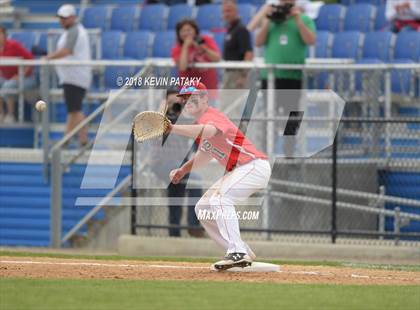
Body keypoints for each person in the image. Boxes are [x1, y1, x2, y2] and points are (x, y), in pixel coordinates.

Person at [167, 82, 271, 270]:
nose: (187, 101)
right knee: (203, 208)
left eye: (193, 96)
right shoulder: (200, 122)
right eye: (184, 98)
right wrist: (183, 170)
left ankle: (237, 251)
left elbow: (209, 131)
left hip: (253, 166)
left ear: (205, 98)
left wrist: (174, 128)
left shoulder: (211, 116)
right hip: (242, 170)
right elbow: (204, 155)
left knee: (220, 199)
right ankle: (241, 250)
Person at [156, 89, 204, 238]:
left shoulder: (185, 120)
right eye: (170, 103)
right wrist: (162, 110)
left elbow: (199, 141)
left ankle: (174, 235)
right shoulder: (159, 120)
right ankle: (193, 225)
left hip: (179, 165)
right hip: (162, 164)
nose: (174, 107)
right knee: (196, 181)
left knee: (176, 197)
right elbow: (156, 130)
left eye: (176, 103)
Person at [45, 4, 91, 146]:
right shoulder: (73, 30)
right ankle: (66, 140)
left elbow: (66, 51)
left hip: (74, 76)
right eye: (61, 18)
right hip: (73, 76)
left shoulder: (74, 31)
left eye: (65, 18)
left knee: (75, 109)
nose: (62, 21)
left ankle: (83, 140)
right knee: (72, 110)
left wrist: (48, 58)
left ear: (73, 17)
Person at [254, 0, 316, 90]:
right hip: (270, 75)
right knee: (269, 104)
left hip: (293, 76)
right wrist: (268, 19)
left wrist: (298, 20)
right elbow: (258, 43)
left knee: (291, 104)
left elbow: (311, 41)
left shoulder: (305, 19)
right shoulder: (271, 20)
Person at [171, 19, 221, 102]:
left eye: (189, 30)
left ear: (195, 31)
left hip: (208, 88)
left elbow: (217, 58)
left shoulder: (206, 40)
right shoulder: (177, 49)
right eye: (183, 31)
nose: (186, 33)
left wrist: (202, 47)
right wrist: (186, 46)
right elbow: (182, 67)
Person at [0, 26, 36, 123]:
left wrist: (21, 75)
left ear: (5, 35)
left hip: (26, 78)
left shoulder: (13, 45)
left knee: (8, 86)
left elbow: (30, 60)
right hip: (6, 77)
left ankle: (11, 115)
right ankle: (1, 113)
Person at [221, 0, 253, 91]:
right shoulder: (230, 29)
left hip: (237, 74)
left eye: (229, 11)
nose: (226, 14)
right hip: (229, 72)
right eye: (224, 11)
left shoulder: (241, 29)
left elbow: (248, 54)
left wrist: (243, 76)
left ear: (236, 12)